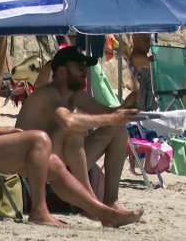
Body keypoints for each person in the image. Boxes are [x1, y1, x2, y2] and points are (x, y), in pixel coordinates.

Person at [0, 40, 143, 228]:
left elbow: (109, 115)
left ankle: (104, 213)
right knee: (38, 138)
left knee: (53, 163)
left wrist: (127, 106)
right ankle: (39, 211)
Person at [16, 46, 140, 213]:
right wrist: (113, 117)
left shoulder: (75, 95)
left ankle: (111, 202)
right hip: (33, 164)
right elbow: (67, 122)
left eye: (86, 67)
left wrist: (126, 106)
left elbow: (110, 114)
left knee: (117, 129)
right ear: (61, 71)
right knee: (73, 129)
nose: (85, 72)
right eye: (80, 67)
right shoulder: (48, 93)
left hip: (61, 158)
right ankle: (92, 204)